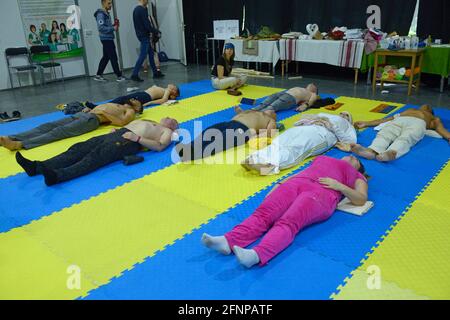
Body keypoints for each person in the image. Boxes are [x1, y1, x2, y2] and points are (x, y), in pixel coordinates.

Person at [202, 155, 369, 268]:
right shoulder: (323, 158)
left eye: (356, 160)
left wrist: (339, 186)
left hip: (322, 192)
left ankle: (256, 255)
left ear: (359, 168)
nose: (352, 157)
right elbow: (301, 172)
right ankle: (228, 241)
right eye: (351, 155)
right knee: (263, 213)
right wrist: (279, 185)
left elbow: (361, 199)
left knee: (289, 222)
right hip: (297, 182)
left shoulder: (357, 176)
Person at [15, 117, 179, 186]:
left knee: (93, 157)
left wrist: (137, 139)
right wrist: (119, 130)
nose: (168, 117)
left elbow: (158, 146)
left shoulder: (168, 132)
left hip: (128, 142)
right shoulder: (150, 121)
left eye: (172, 120)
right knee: (78, 149)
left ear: (173, 126)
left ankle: (57, 176)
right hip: (118, 134)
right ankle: (36, 167)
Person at [0, 99, 143, 151]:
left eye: (137, 102)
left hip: (92, 120)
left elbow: (121, 122)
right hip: (84, 114)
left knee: (59, 131)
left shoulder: (130, 111)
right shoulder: (120, 104)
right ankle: (11, 137)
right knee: (48, 125)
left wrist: (105, 114)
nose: (135, 100)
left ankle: (21, 144)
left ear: (138, 108)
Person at [242, 112, 356, 175]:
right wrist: (314, 120)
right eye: (342, 113)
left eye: (347, 115)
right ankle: (253, 158)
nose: (343, 114)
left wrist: (332, 126)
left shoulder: (348, 126)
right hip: (305, 128)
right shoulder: (323, 114)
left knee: (295, 150)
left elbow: (349, 141)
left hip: (322, 135)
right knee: (278, 143)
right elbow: (298, 122)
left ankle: (267, 168)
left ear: (349, 120)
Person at [351, 105, 450, 162]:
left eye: (428, 107)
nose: (426, 105)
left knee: (406, 138)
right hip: (400, 119)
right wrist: (367, 123)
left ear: (431, 112)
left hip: (419, 123)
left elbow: (440, 129)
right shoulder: (409, 110)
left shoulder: (432, 118)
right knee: (385, 133)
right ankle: (372, 150)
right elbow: (387, 119)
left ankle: (391, 153)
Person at [176, 106, 277, 161]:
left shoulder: (270, 120)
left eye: (273, 112)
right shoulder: (254, 111)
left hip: (243, 129)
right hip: (229, 123)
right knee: (207, 133)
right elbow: (241, 114)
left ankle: (192, 155)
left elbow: (268, 134)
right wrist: (239, 110)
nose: (271, 111)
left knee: (219, 142)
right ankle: (188, 147)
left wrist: (254, 135)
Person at [94, 0, 126, 82]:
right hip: (106, 39)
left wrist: (113, 26)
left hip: (108, 38)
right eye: (108, 3)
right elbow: (101, 28)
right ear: (103, 3)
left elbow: (105, 26)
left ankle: (98, 75)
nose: (110, 5)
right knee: (113, 57)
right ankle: (119, 76)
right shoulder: (101, 14)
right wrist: (113, 28)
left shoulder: (106, 13)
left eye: (111, 3)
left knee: (106, 57)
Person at [131, 0, 163, 82]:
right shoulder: (142, 10)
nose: (148, 1)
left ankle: (155, 73)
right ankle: (134, 74)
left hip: (141, 35)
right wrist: (157, 31)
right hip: (144, 36)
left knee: (151, 54)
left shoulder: (135, 10)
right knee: (142, 55)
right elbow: (147, 25)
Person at [83, 84, 180, 110]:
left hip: (145, 97)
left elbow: (164, 100)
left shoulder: (167, 91)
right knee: (121, 100)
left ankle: (97, 107)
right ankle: (99, 107)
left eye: (174, 86)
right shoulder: (165, 89)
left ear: (174, 91)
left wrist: (150, 103)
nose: (172, 85)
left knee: (121, 100)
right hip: (143, 95)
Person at [252, 85, 319, 113]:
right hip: (283, 93)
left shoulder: (313, 94)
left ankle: (254, 117)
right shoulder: (302, 88)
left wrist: (305, 105)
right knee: (264, 103)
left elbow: (311, 101)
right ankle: (248, 112)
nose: (312, 84)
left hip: (290, 98)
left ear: (315, 90)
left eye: (314, 85)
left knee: (271, 107)